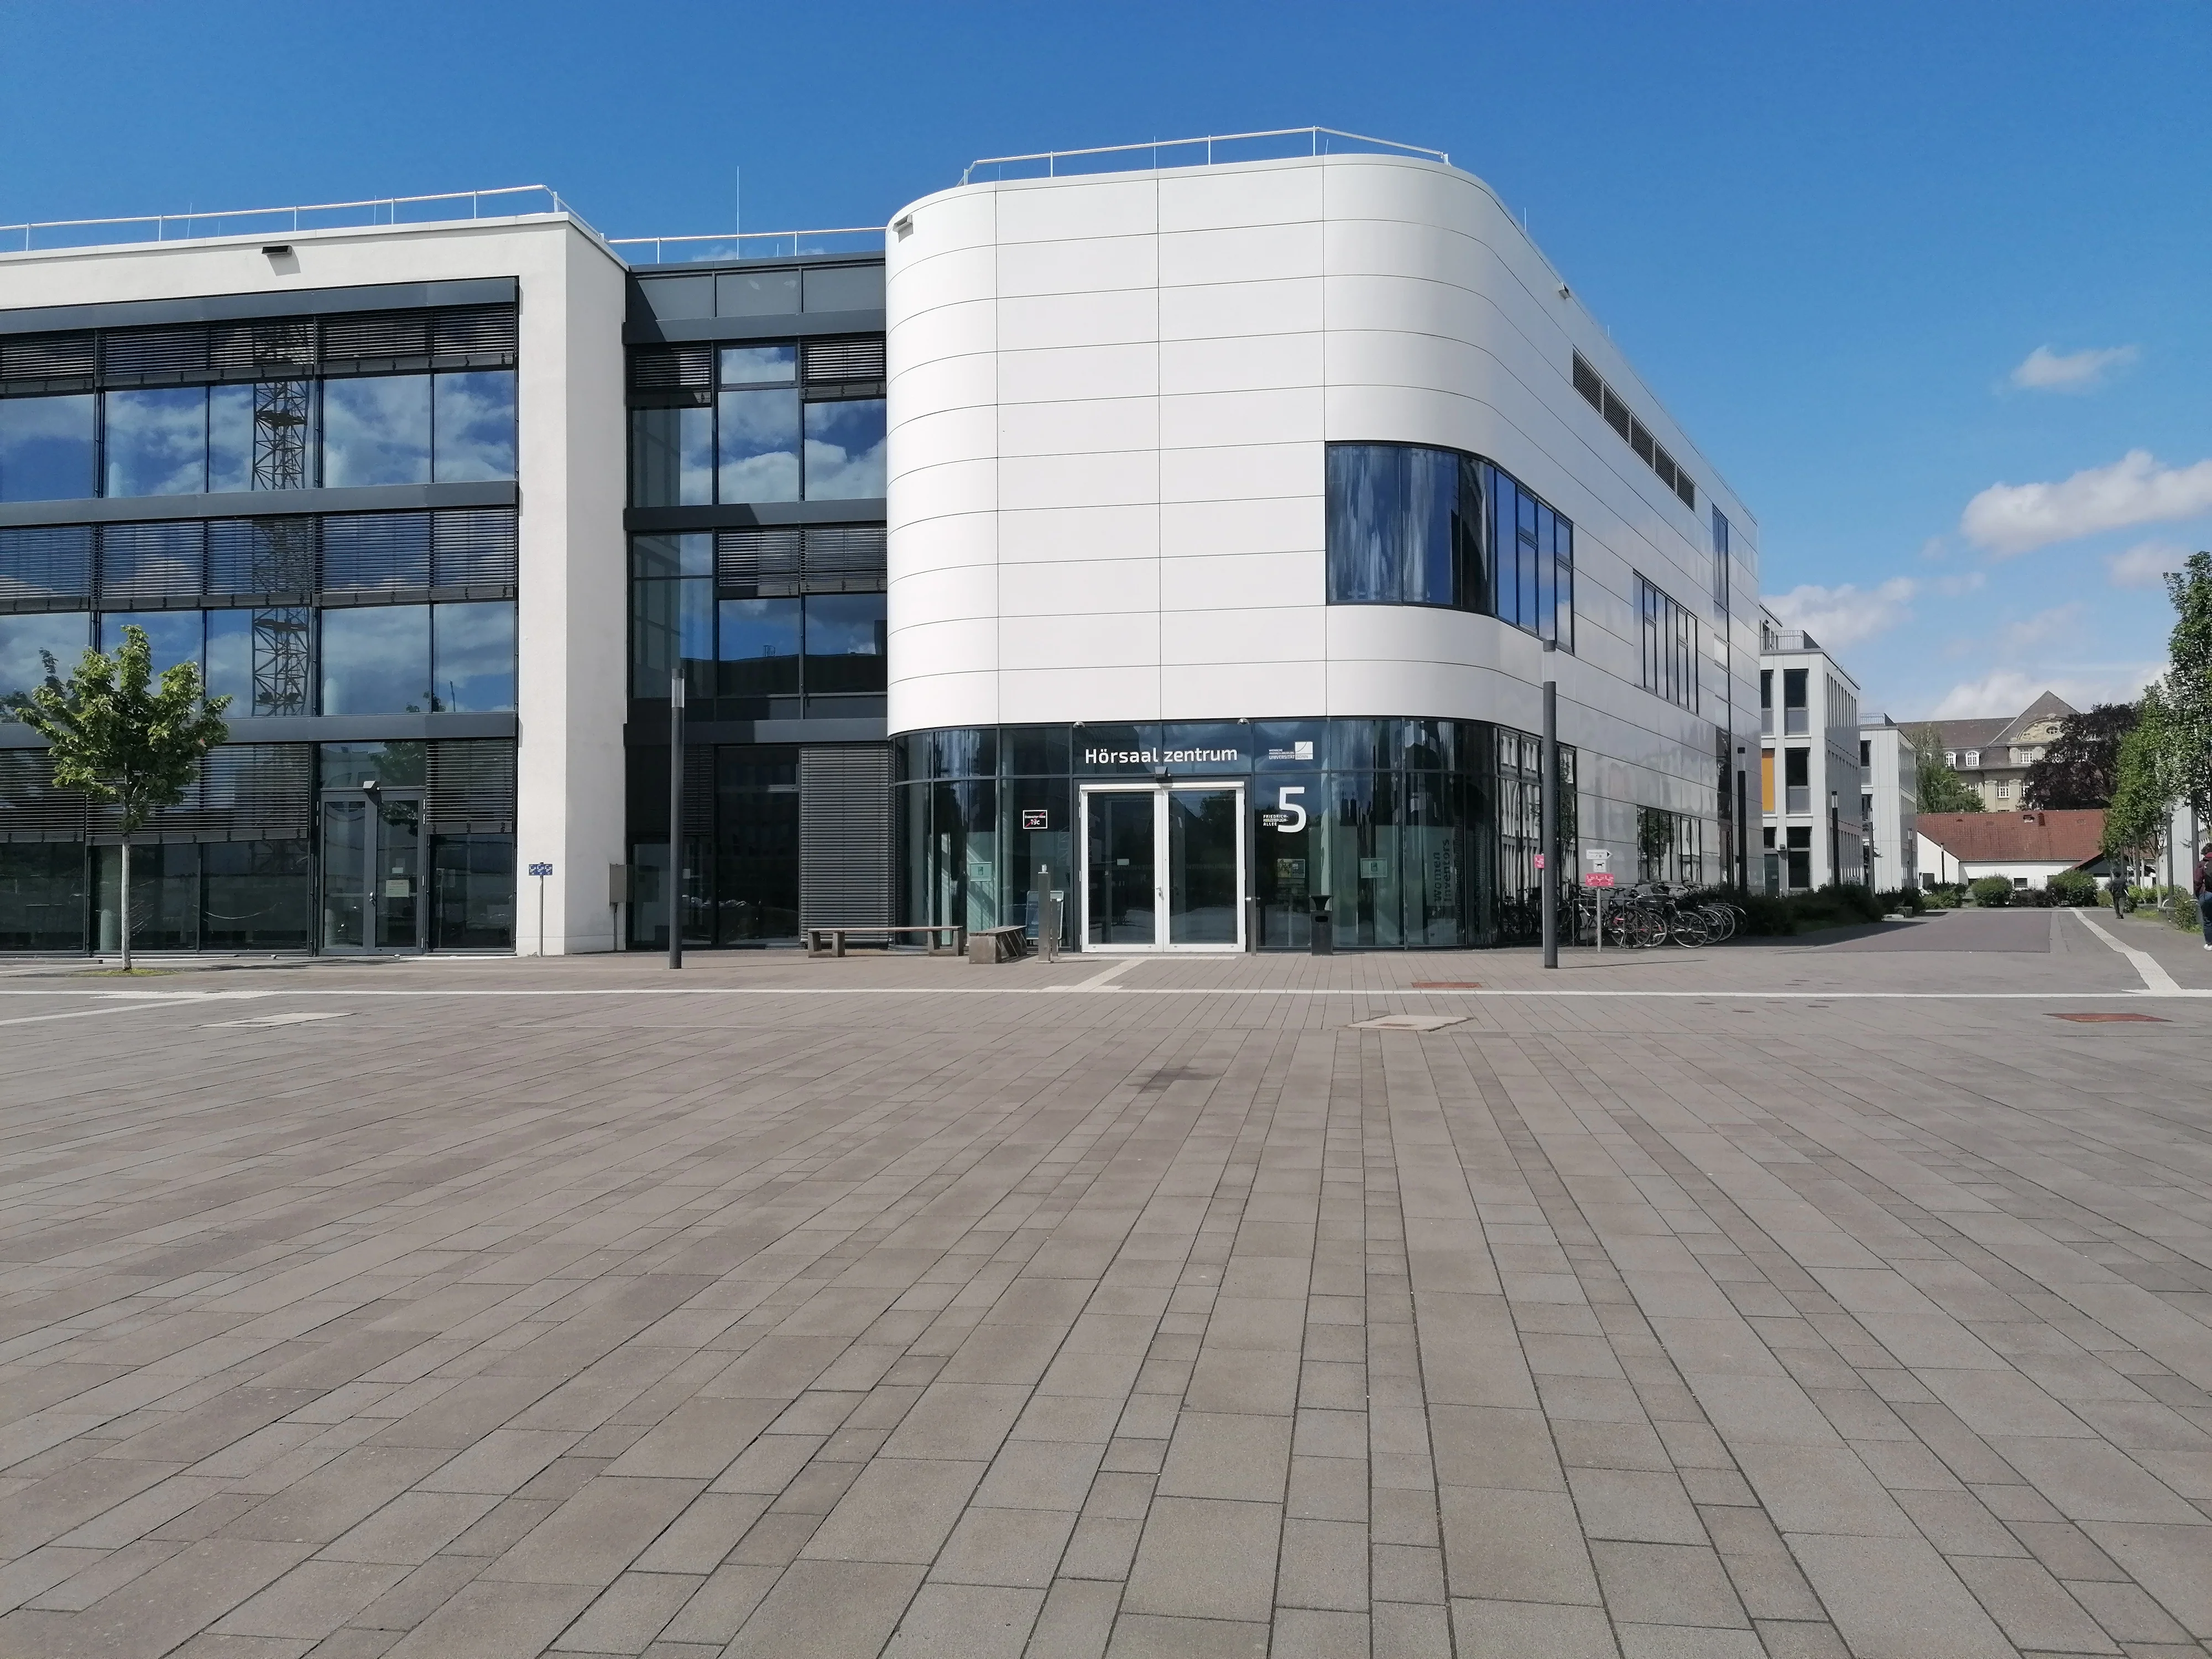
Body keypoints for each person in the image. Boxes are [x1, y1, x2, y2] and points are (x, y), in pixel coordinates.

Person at [2195, 847, 2212, 949]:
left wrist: (2199, 894)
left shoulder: (2202, 864)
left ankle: (2210, 944)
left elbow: (2197, 881)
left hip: (2206, 894)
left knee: (2208, 920)